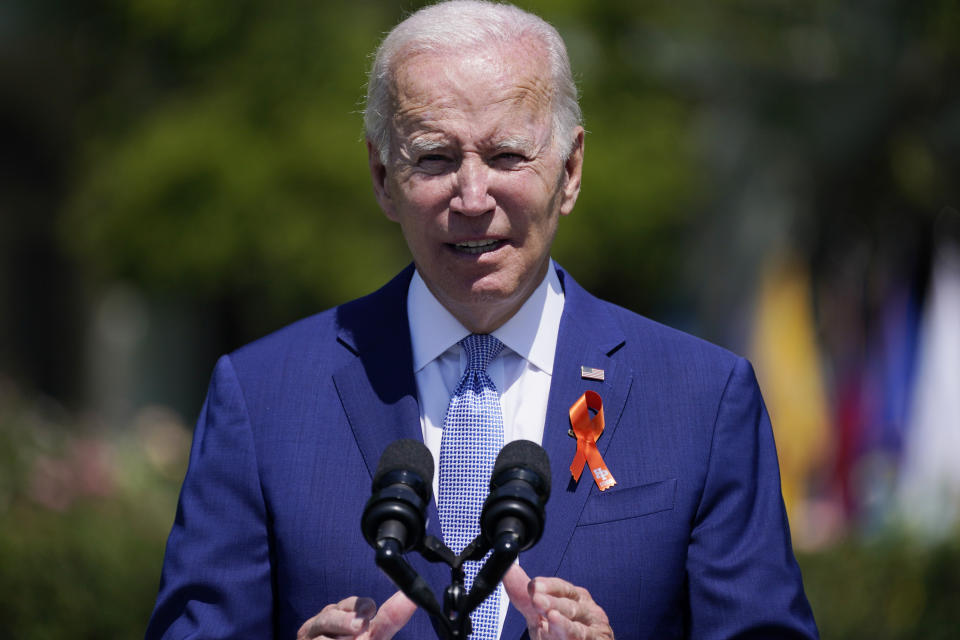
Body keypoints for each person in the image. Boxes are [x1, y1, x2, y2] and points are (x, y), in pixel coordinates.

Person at [146, 2, 819, 639]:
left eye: (506, 157)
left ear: (571, 169)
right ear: (383, 177)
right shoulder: (262, 399)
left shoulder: (702, 399)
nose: (472, 197)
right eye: (435, 159)